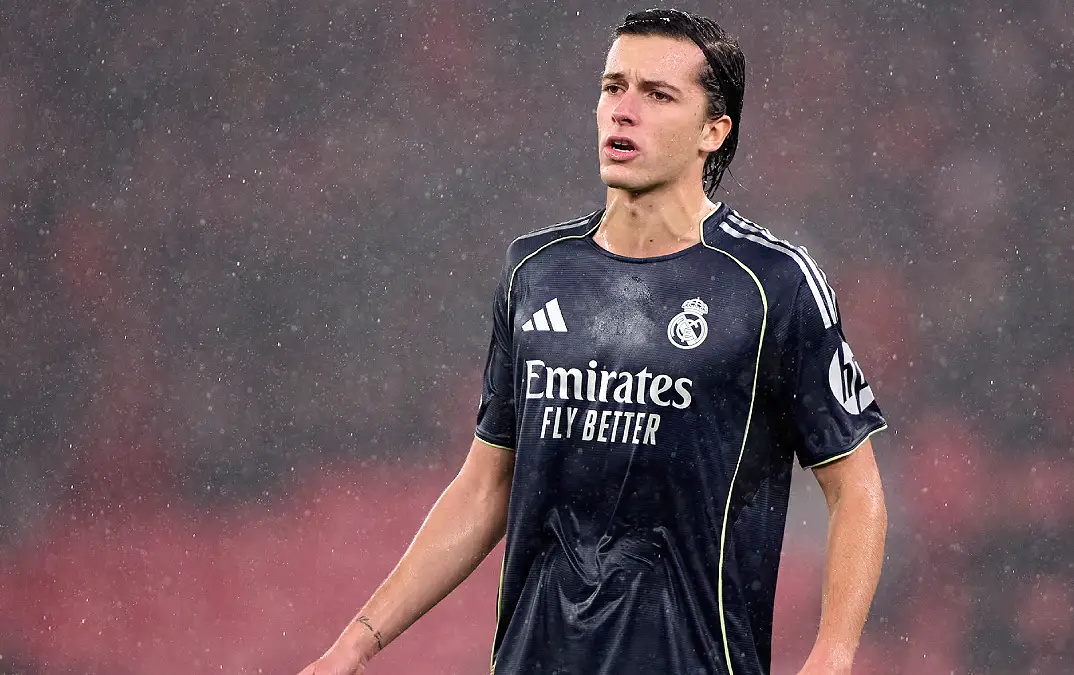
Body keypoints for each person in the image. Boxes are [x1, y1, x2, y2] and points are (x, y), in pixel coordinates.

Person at [296, 8, 888, 675]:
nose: (623, 110)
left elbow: (855, 488)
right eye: (613, 87)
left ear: (713, 131)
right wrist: (357, 642)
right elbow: (487, 485)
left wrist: (832, 655)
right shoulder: (535, 271)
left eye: (657, 94)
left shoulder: (771, 283)